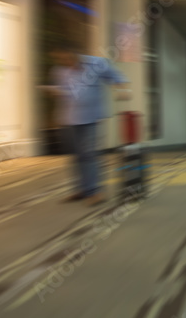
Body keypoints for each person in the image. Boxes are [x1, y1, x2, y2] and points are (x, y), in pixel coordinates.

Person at [49, 46, 130, 205]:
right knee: (76, 156)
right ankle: (81, 189)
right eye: (60, 60)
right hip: (69, 119)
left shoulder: (96, 64)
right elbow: (63, 91)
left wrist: (122, 89)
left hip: (90, 118)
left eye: (66, 59)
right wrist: (55, 92)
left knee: (90, 155)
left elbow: (115, 76)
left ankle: (95, 192)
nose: (64, 63)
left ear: (74, 55)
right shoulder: (60, 71)